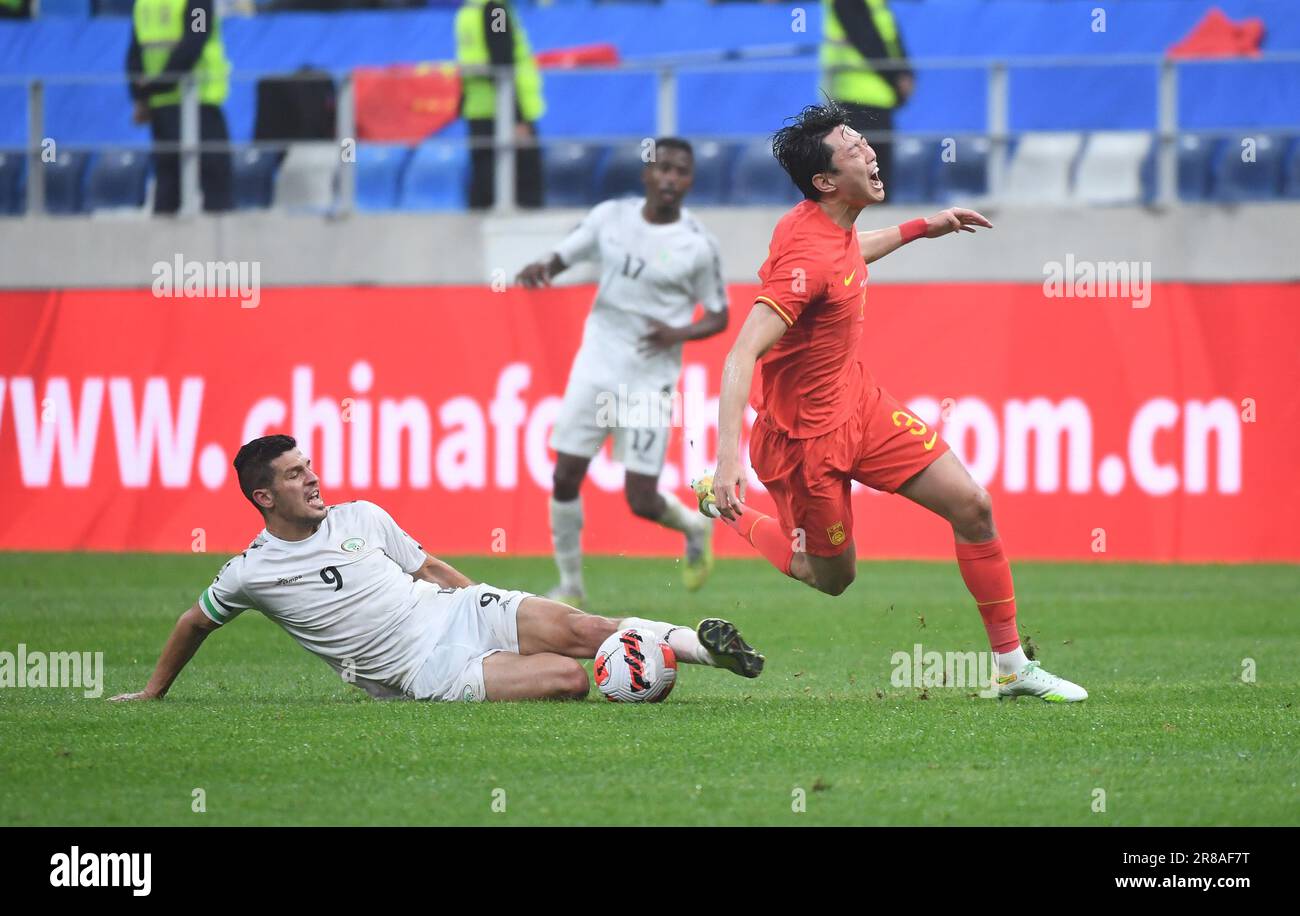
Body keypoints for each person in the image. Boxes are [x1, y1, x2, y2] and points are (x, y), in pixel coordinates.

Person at [695, 102, 1086, 703]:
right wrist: (728, 465)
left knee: (973, 506)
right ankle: (731, 514)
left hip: (861, 405)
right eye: (854, 149)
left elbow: (848, 256)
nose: (871, 152)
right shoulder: (805, 256)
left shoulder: (830, 226)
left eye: (863, 141)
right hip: (804, 443)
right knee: (830, 577)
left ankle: (1012, 668)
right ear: (826, 180)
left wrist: (922, 227)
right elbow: (739, 355)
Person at [110, 435, 762, 705]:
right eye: (293, 475)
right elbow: (193, 622)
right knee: (568, 679)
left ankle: (705, 649)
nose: (311, 479)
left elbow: (428, 567)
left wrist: (483, 596)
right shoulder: (250, 573)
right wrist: (151, 693)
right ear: (263, 497)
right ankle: (647, 669)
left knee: (582, 627)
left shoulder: (360, 515)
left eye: (308, 467)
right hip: (427, 668)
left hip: (459, 610)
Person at [516, 138, 728, 608]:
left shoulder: (696, 246)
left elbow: (719, 315)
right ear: (646, 173)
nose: (672, 179)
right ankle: (570, 584)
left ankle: (695, 526)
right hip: (595, 366)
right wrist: (543, 267)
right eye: (664, 169)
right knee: (566, 474)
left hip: (649, 381)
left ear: (689, 181)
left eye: (682, 172)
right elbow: (564, 255)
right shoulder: (610, 216)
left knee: (641, 500)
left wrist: (678, 331)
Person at [127, 0, 234, 214]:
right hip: (199, 100)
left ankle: (167, 245)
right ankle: (220, 243)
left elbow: (134, 53)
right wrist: (161, 84)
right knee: (216, 178)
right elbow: (195, 41)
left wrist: (143, 93)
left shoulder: (145, 3)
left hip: (162, 105)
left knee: (168, 181)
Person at [455, 0, 544, 209]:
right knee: (526, 189)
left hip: (478, 109)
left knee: (483, 187)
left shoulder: (468, 11)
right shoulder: (496, 11)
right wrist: (518, 118)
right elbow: (502, 62)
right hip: (502, 112)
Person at [821, 0, 914, 192]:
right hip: (854, 96)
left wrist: (903, 73)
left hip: (877, 95)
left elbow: (889, 38)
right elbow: (867, 39)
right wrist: (897, 77)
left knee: (873, 176)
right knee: (863, 177)